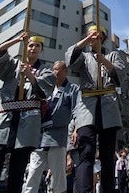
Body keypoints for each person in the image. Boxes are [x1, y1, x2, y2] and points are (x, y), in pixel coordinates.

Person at [0, 33, 56, 193]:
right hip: (5, 118)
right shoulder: (13, 64)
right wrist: (17, 39)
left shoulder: (46, 71)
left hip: (28, 121)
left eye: (37, 46)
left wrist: (29, 75)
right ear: (25, 47)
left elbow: (45, 93)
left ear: (41, 50)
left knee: (17, 171)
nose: (33, 48)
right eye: (30, 45)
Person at [65, 24, 125, 193]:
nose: (92, 37)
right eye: (89, 35)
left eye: (95, 34)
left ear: (102, 37)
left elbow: (120, 76)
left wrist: (103, 61)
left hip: (108, 105)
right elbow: (70, 61)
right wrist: (85, 39)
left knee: (107, 155)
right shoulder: (84, 57)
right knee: (86, 150)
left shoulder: (113, 55)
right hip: (87, 106)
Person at [22, 61, 79, 193]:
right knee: (32, 172)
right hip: (40, 136)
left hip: (57, 136)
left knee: (58, 174)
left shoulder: (72, 88)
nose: (54, 72)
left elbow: (77, 109)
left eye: (57, 69)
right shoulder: (47, 86)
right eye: (53, 69)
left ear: (65, 71)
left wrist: (76, 128)